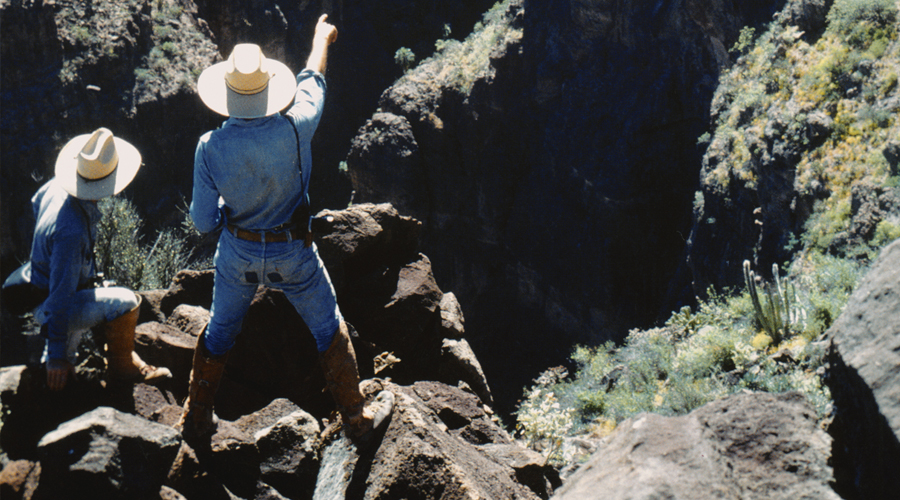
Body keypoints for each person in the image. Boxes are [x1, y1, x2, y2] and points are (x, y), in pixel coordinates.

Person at [181, 14, 393, 440]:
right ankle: (356, 418)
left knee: (221, 328)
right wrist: (321, 37)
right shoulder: (297, 128)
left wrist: (231, 209)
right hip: (292, 251)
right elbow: (314, 77)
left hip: (238, 254)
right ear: (267, 89)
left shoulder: (210, 147)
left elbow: (203, 222)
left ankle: (196, 416)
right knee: (327, 327)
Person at [30, 127, 172, 391]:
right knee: (126, 301)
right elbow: (61, 295)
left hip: (40, 288)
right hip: (52, 305)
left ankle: (57, 376)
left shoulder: (54, 187)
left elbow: (35, 203)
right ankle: (121, 370)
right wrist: (57, 357)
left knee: (90, 290)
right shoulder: (71, 231)